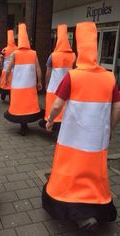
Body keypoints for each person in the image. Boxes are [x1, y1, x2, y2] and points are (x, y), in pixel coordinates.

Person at [42, 22, 120, 231]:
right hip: (97, 140)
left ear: (80, 50)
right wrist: (109, 129)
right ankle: (94, 210)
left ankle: (79, 214)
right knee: (95, 173)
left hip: (73, 139)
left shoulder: (73, 76)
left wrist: (49, 120)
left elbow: (58, 104)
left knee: (71, 171)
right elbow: (117, 107)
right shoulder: (109, 77)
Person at [4, 23, 43, 136]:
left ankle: (23, 127)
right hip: (30, 85)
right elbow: (38, 68)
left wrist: (6, 79)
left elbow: (8, 69)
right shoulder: (33, 53)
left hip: (17, 86)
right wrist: (39, 81)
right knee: (28, 105)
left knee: (19, 106)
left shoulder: (15, 54)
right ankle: (25, 125)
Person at [39, 24, 76, 133]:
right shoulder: (73, 56)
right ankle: (63, 127)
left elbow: (48, 73)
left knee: (53, 106)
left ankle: (51, 125)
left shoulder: (53, 56)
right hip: (68, 88)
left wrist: (46, 84)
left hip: (54, 87)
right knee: (64, 107)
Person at [0, 30, 17, 101]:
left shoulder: (4, 50)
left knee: (4, 83)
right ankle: (11, 98)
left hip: (5, 69)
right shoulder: (17, 49)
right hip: (14, 70)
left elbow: (0, 60)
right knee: (12, 84)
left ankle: (3, 95)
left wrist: (1, 66)